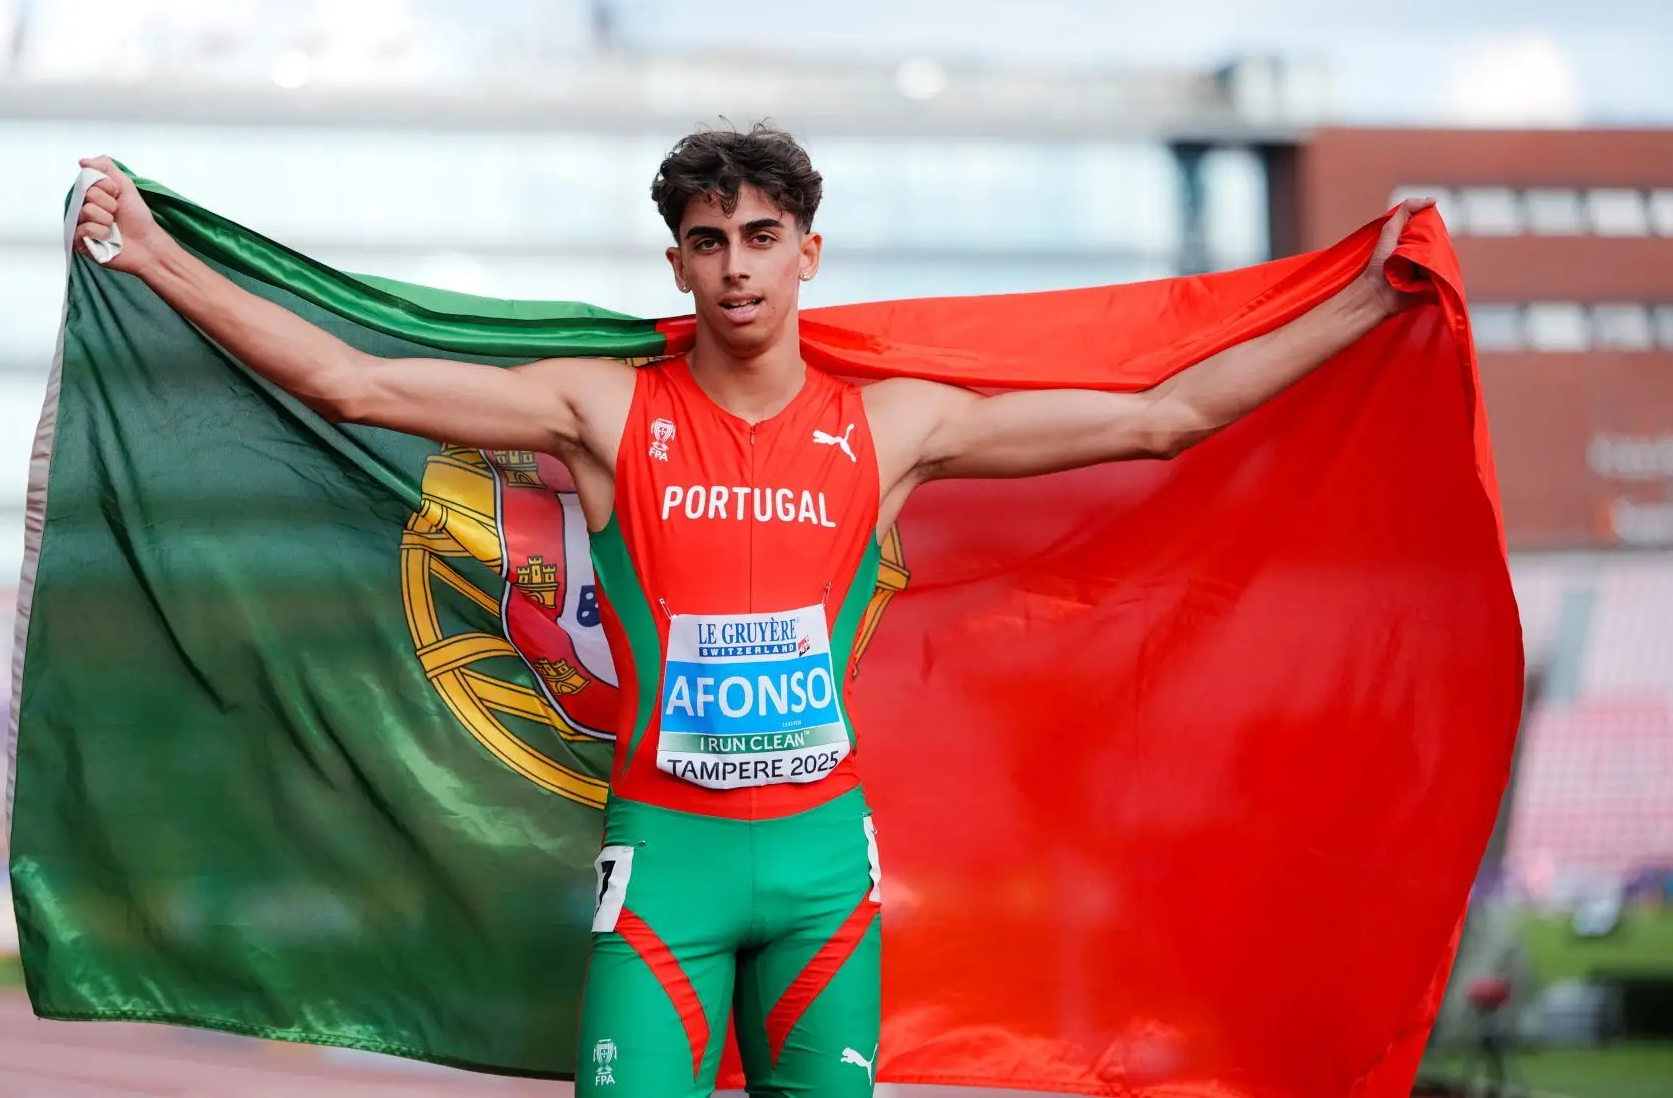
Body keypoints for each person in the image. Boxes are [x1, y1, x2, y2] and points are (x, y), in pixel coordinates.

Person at [72, 127, 1429, 1098]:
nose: (736, 268)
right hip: (668, 873)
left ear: (808, 253)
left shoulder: (892, 431)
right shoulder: (602, 415)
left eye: (762, 239)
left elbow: (1164, 416)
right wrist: (153, 257)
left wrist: (1369, 297)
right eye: (708, 242)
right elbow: (355, 385)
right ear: (676, 265)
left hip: (824, 881)